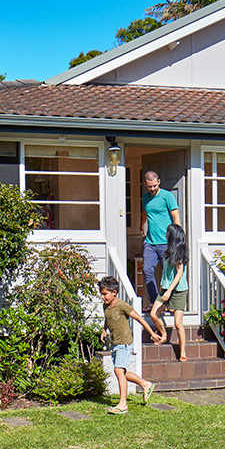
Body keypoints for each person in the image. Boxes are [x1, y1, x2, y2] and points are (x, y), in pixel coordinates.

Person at [99, 276, 159, 414]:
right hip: (115, 343)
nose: (103, 297)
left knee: (118, 371)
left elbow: (139, 318)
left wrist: (151, 332)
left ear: (114, 293)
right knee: (123, 373)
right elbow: (108, 319)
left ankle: (123, 404)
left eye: (105, 294)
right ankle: (146, 384)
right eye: (101, 294)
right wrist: (104, 329)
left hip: (124, 343)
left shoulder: (122, 305)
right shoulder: (106, 306)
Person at [149, 224, 189, 361]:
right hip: (166, 288)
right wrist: (163, 290)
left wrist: (169, 291)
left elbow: (179, 274)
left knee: (178, 323)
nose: (165, 235)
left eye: (167, 233)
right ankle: (164, 334)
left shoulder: (180, 252)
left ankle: (182, 351)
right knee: (153, 314)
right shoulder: (167, 251)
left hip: (178, 290)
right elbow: (166, 274)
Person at [141, 170, 181, 309]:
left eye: (154, 186)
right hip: (150, 242)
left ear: (158, 182)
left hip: (166, 242)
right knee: (147, 270)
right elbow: (145, 212)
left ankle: (170, 303)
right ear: (145, 184)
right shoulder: (146, 198)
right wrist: (142, 225)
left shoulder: (167, 196)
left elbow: (176, 217)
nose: (152, 189)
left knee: (169, 273)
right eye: (149, 186)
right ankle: (153, 300)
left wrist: (177, 239)